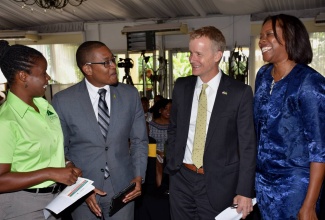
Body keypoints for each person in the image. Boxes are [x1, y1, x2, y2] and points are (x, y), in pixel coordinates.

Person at [165, 26, 256, 219]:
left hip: (218, 183)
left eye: (198, 54)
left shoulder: (240, 93)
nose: (191, 59)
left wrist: (245, 190)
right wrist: (173, 165)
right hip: (181, 178)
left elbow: (247, 146)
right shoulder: (181, 86)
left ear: (217, 56)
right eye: (190, 53)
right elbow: (173, 129)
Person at [51, 41, 148, 220]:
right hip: (82, 189)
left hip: (123, 187)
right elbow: (59, 151)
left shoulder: (129, 95)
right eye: (106, 62)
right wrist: (79, 186)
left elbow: (139, 141)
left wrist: (139, 176)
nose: (113, 67)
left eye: (113, 60)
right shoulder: (63, 100)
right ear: (87, 68)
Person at [0, 40, 81, 220]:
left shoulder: (44, 106)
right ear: (23, 76)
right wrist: (50, 172)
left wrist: (66, 164)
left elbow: (44, 150)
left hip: (53, 199)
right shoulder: (5, 121)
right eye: (43, 73)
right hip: (21, 204)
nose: (48, 78)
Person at [254, 14, 325, 219]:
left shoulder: (310, 83)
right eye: (261, 36)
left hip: (295, 186)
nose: (262, 41)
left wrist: (309, 206)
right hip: (263, 182)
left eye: (269, 34)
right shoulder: (263, 76)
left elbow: (320, 151)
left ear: (291, 37)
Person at [148, 98, 172, 187]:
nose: (169, 111)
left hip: (170, 152)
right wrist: (158, 152)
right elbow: (149, 143)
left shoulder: (175, 125)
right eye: (166, 108)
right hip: (155, 152)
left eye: (171, 108)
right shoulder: (151, 125)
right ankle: (160, 188)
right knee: (157, 162)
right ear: (160, 110)